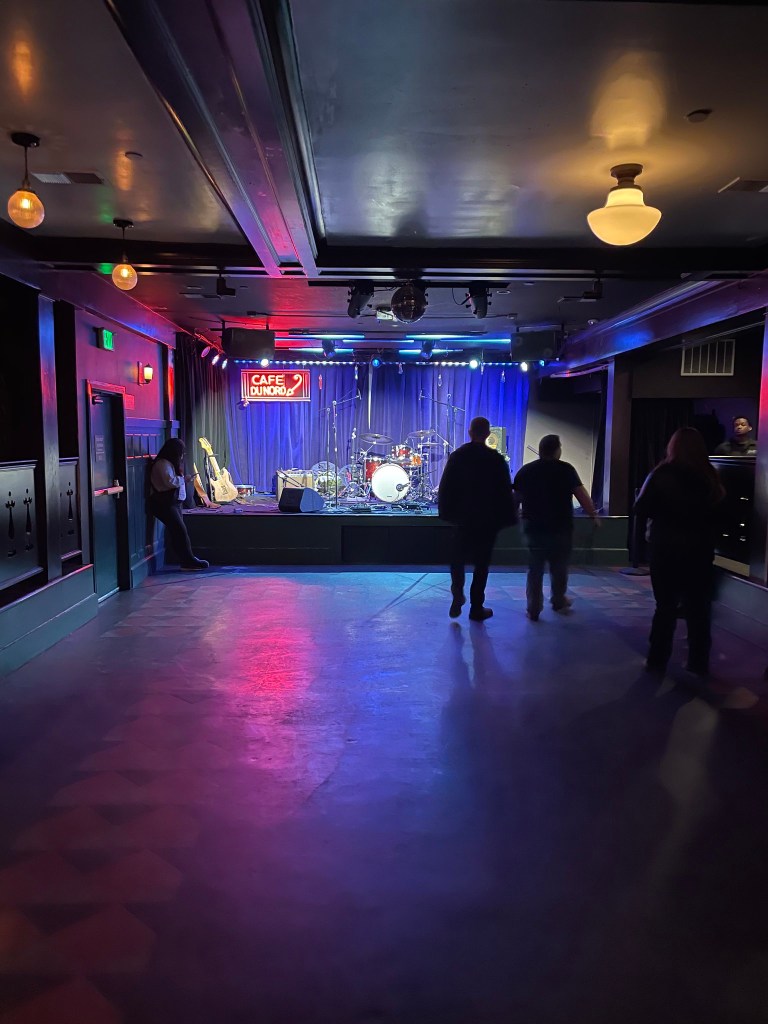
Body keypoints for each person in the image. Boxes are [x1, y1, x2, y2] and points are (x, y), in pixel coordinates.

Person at [634, 427, 725, 676]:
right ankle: (698, 662)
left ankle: (657, 659)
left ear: (672, 446)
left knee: (665, 606)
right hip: (700, 550)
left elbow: (641, 507)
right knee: (699, 608)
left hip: (666, 548)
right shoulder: (710, 476)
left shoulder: (661, 474)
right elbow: (720, 513)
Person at [512, 434, 599, 621]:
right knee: (559, 566)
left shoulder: (526, 471)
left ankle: (533, 608)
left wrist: (511, 517)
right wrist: (593, 514)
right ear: (557, 449)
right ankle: (558, 600)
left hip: (533, 527)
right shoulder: (566, 470)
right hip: (560, 526)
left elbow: (515, 499)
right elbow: (581, 494)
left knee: (535, 568)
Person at [438, 416, 516, 622]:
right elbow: (504, 492)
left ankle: (457, 590)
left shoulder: (458, 456)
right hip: (487, 519)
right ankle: (476, 607)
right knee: (482, 564)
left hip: (462, 517)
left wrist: (446, 514)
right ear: (489, 434)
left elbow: (446, 487)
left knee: (457, 558)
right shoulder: (496, 459)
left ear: (470, 432)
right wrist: (507, 519)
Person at [149, 438, 209, 571]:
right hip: (164, 504)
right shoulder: (162, 464)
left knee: (178, 532)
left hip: (172, 503)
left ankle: (186, 560)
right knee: (180, 532)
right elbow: (169, 482)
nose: (182, 455)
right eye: (181, 452)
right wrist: (184, 479)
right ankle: (188, 561)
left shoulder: (168, 463)